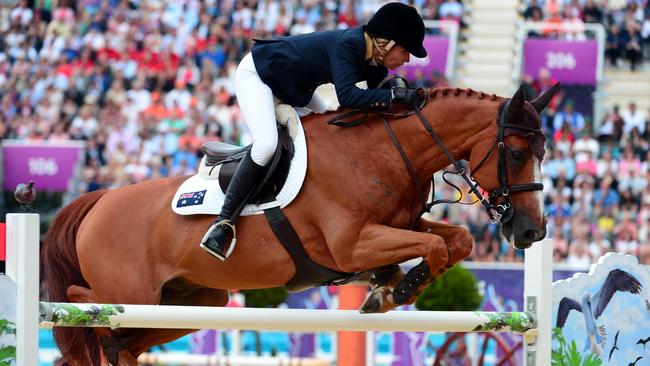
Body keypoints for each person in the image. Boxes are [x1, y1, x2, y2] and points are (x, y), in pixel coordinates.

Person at [200, 2, 428, 260]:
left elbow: (375, 105)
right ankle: (222, 224)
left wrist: (404, 97)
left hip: (297, 88)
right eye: (405, 50)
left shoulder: (376, 60)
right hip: (260, 76)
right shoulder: (349, 44)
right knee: (266, 145)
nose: (407, 58)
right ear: (386, 43)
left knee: (333, 131)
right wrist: (393, 96)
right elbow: (349, 97)